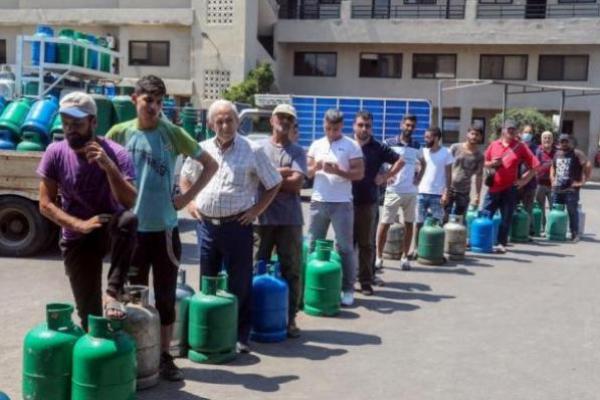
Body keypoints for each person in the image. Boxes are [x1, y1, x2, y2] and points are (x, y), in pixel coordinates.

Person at [106, 75, 218, 381]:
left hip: (165, 231)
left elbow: (211, 165)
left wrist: (186, 197)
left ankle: (165, 356)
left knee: (166, 298)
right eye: (148, 100)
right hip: (132, 232)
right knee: (132, 298)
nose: (153, 107)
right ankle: (133, 355)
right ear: (135, 100)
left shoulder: (173, 133)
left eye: (158, 101)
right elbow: (101, 169)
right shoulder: (119, 133)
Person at [180, 100, 281, 353]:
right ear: (212, 123)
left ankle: (239, 336)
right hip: (206, 227)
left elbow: (274, 183)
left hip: (237, 226)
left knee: (240, 284)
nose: (225, 125)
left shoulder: (253, 150)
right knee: (208, 282)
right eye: (220, 121)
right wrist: (190, 201)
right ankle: (210, 332)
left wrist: (256, 211)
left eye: (230, 120)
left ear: (238, 122)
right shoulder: (201, 149)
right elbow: (185, 177)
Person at [37, 92, 138, 331]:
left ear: (93, 122)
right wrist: (78, 225)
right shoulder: (55, 152)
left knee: (128, 220)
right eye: (66, 124)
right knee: (89, 316)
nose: (71, 129)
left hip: (109, 228)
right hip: (77, 233)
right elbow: (45, 204)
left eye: (78, 124)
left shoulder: (116, 153)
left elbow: (130, 200)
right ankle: (95, 356)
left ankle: (113, 292)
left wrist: (108, 167)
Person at [255, 104, 306, 338]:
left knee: (291, 269)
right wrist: (283, 172)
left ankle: (290, 318)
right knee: (257, 267)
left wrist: (271, 176)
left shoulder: (298, 151)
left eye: (289, 118)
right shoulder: (258, 149)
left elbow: (297, 184)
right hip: (261, 217)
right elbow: (256, 180)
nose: (284, 121)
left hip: (289, 220)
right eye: (281, 117)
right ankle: (254, 317)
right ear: (272, 120)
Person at [307, 109, 364, 307]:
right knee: (313, 244)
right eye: (328, 128)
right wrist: (316, 168)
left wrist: (338, 170)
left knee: (345, 248)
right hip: (318, 201)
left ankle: (347, 288)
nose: (332, 132)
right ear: (324, 124)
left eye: (336, 129)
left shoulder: (352, 145)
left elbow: (359, 174)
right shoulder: (316, 144)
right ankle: (311, 286)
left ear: (342, 127)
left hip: (342, 203)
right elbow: (307, 171)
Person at [351, 111, 404, 295]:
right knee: (345, 244)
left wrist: (386, 176)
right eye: (360, 125)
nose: (364, 128)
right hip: (344, 201)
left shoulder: (378, 147)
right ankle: (345, 281)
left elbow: (400, 161)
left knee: (366, 244)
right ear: (354, 126)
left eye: (367, 125)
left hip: (368, 202)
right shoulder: (346, 145)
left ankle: (365, 281)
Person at [482, 120, 540, 253]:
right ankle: (482, 239)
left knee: (506, 218)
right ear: (503, 130)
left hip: (509, 189)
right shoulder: (494, 145)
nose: (511, 131)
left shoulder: (520, 147)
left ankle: (502, 243)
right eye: (509, 129)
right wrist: (491, 163)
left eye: (514, 129)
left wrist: (524, 180)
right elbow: (483, 162)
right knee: (485, 214)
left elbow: (535, 165)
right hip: (493, 187)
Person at [376, 115, 421, 271]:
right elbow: (379, 161)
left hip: (410, 192)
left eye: (412, 126)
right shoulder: (389, 143)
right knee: (385, 224)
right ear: (401, 124)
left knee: (409, 224)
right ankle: (378, 257)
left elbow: (424, 163)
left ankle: (404, 257)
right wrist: (386, 175)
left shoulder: (416, 145)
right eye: (407, 125)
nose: (409, 128)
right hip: (393, 190)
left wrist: (419, 177)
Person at [415, 127, 453, 249]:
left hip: (438, 194)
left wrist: (446, 192)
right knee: (418, 223)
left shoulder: (446, 152)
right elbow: (417, 170)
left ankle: (436, 250)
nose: (425, 139)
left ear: (436, 138)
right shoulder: (422, 151)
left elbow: (448, 174)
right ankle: (416, 249)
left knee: (437, 224)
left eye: (428, 137)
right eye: (425, 137)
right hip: (421, 193)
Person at [550, 134, 591, 242]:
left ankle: (574, 234)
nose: (564, 143)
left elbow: (588, 165)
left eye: (566, 141)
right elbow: (552, 167)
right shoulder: (557, 154)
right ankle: (558, 233)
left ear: (570, 142)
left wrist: (583, 181)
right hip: (558, 188)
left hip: (571, 189)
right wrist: (552, 179)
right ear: (559, 142)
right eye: (562, 141)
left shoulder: (577, 153)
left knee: (572, 211)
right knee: (556, 210)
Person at [445, 126, 484, 219]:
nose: (474, 137)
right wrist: (444, 188)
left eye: (477, 135)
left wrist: (477, 195)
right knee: (444, 218)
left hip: (464, 192)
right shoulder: (455, 147)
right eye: (472, 133)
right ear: (467, 134)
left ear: (480, 137)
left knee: (459, 220)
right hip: (449, 189)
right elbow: (445, 166)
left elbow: (479, 176)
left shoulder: (479, 156)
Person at [517, 125, 538, 236]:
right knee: (513, 207)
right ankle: (516, 229)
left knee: (528, 208)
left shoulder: (536, 149)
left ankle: (529, 230)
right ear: (520, 133)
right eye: (525, 132)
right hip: (515, 183)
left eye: (529, 132)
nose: (527, 134)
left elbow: (536, 165)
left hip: (530, 183)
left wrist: (524, 178)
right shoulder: (517, 146)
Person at [535, 131, 556, 231]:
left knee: (554, 206)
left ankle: (553, 227)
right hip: (539, 184)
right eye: (545, 138)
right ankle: (542, 227)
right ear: (541, 139)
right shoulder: (537, 151)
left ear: (552, 140)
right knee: (540, 207)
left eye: (549, 138)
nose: (547, 140)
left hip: (553, 185)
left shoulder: (556, 152)